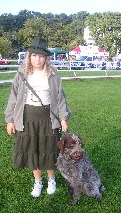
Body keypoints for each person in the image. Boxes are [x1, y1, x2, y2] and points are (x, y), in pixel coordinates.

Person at [4, 37, 71, 198]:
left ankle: (51, 179)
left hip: (48, 118)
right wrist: (10, 120)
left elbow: (60, 97)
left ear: (46, 57)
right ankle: (38, 181)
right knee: (32, 150)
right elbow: (13, 97)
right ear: (29, 56)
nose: (37, 59)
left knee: (49, 149)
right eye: (34, 55)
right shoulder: (21, 72)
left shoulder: (53, 74)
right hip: (27, 118)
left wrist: (63, 118)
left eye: (41, 56)